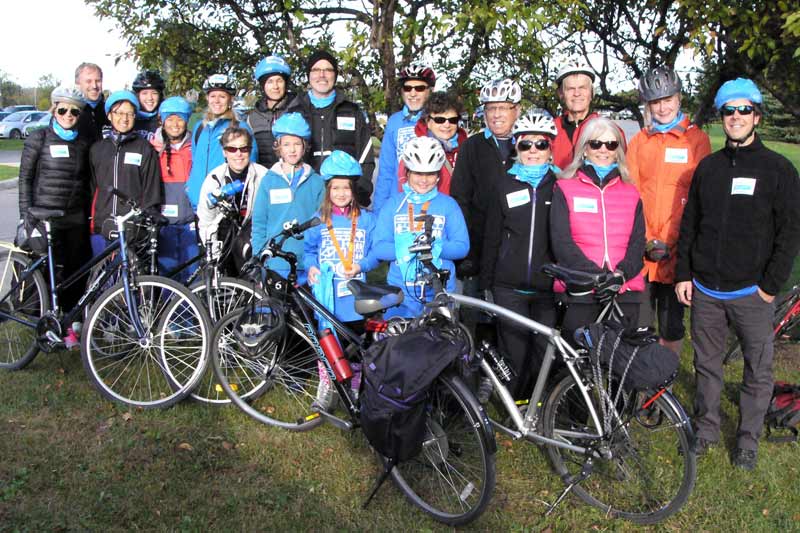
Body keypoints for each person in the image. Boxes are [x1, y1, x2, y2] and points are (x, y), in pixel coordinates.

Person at [674, 78, 800, 470]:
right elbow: (690, 224)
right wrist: (683, 274)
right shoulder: (708, 168)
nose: (736, 117)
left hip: (752, 293)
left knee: (757, 370)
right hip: (706, 289)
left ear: (757, 116)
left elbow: (791, 231)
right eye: (729, 111)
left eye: (744, 110)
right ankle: (707, 430)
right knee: (707, 365)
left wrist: (769, 287)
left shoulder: (778, 169)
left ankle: (747, 439)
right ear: (722, 117)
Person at [627, 66, 711, 354]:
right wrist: (648, 238)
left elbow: (698, 197)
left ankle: (665, 391)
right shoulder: (639, 141)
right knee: (638, 325)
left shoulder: (696, 140)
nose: (662, 108)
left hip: (677, 251)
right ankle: (637, 388)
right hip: (643, 250)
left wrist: (671, 240)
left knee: (671, 326)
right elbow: (633, 194)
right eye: (655, 102)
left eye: (667, 100)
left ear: (678, 98)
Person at [480, 109, 559, 399]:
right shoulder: (504, 184)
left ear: (551, 148)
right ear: (517, 146)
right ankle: (514, 403)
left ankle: (537, 403)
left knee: (542, 350)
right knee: (513, 348)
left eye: (541, 144)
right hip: (508, 284)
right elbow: (492, 236)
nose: (533, 151)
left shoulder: (560, 185)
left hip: (546, 286)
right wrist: (487, 283)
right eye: (526, 144)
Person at [550, 117, 645, 343]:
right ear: (584, 148)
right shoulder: (564, 188)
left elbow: (638, 242)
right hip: (581, 290)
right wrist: (597, 277)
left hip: (624, 291)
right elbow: (561, 242)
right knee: (577, 365)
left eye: (611, 145)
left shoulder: (631, 193)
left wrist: (620, 276)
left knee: (619, 368)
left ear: (618, 151)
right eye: (596, 144)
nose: (604, 150)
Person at [18, 86, 91, 348]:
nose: (68, 114)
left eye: (74, 111)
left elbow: (86, 182)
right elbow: (25, 179)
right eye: (63, 109)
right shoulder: (39, 138)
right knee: (47, 273)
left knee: (74, 272)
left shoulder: (83, 143)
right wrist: (26, 215)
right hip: (44, 216)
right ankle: (42, 323)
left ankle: (70, 323)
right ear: (54, 109)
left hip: (73, 218)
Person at [373, 137, 469, 318]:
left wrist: (435, 247)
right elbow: (379, 248)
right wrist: (407, 246)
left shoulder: (448, 205)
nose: (424, 180)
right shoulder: (394, 204)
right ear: (407, 173)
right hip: (401, 293)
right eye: (418, 173)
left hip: (439, 290)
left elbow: (462, 247)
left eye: (430, 174)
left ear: (439, 175)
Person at [450, 78, 521, 281]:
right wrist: (466, 248)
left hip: (517, 247)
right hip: (478, 247)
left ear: (516, 110)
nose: (496, 114)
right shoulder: (472, 146)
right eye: (490, 108)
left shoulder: (528, 146)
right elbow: (460, 198)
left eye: (503, 108)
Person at [285, 49, 374, 206]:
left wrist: (358, 192)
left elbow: (366, 157)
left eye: (327, 70)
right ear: (309, 75)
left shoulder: (352, 111)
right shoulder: (294, 112)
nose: (322, 75)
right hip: (304, 200)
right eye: (316, 70)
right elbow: (283, 158)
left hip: (344, 200)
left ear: (335, 75)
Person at [305, 151, 379, 329]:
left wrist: (362, 266)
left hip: (356, 301)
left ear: (353, 190)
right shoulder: (318, 219)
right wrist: (311, 266)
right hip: (327, 299)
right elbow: (309, 250)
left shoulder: (367, 219)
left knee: (356, 349)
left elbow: (377, 253)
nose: (341, 193)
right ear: (328, 190)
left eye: (346, 188)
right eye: (335, 188)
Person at [250, 113, 325, 282]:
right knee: (275, 307)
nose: (292, 150)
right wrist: (259, 256)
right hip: (276, 262)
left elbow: (323, 223)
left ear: (305, 146)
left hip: (308, 262)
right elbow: (259, 223)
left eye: (297, 144)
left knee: (305, 308)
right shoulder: (268, 181)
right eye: (287, 144)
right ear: (279, 147)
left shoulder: (316, 181)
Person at [89, 90, 162, 258]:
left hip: (133, 228)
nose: (125, 118)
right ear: (109, 115)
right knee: (103, 279)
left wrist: (144, 221)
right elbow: (91, 189)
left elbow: (151, 191)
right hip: (102, 227)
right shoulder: (97, 149)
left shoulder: (144, 148)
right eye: (119, 113)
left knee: (132, 280)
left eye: (130, 113)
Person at [379, 91, 467, 210]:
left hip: (458, 218)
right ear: (428, 121)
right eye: (440, 120)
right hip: (425, 218)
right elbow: (403, 193)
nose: (447, 125)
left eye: (452, 120)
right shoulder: (414, 152)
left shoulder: (467, 149)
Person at [196, 126, 267, 272]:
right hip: (223, 236)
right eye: (232, 149)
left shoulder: (263, 176)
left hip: (252, 235)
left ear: (250, 150)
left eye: (244, 149)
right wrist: (214, 256)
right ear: (224, 152)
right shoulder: (214, 179)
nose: (238, 154)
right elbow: (206, 221)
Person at [187, 74, 257, 211]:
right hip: (199, 204)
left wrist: (229, 192)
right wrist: (190, 188)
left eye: (222, 96)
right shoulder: (200, 128)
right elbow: (195, 162)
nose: (217, 101)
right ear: (207, 98)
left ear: (230, 99)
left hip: (227, 205)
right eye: (213, 96)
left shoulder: (240, 128)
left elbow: (250, 169)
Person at [373, 63, 436, 211]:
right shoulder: (394, 122)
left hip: (432, 202)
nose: (412, 93)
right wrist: (378, 212)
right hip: (399, 203)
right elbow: (386, 172)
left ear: (430, 90)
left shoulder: (438, 120)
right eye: (408, 88)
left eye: (419, 88)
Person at [151, 96, 196, 282]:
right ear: (162, 120)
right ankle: (168, 310)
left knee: (193, 273)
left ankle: (193, 311)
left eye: (180, 119)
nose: (175, 124)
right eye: (170, 119)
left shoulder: (194, 145)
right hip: (164, 224)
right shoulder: (152, 148)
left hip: (191, 222)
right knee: (167, 275)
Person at [552, 58, 601, 170]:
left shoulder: (608, 130)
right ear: (561, 94)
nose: (577, 94)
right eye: (570, 89)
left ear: (591, 92)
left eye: (582, 88)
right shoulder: (550, 131)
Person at [247, 55, 295, 168]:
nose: (275, 86)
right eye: (270, 82)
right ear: (263, 86)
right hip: (263, 179)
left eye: (279, 81)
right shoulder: (253, 117)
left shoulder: (298, 110)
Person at [74, 62, 108, 143]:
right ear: (78, 84)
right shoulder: (70, 112)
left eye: (98, 81)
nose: (94, 86)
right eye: (89, 81)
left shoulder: (111, 111)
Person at [132, 70, 166, 140]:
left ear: (160, 96)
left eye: (154, 93)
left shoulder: (166, 119)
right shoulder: (130, 118)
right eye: (144, 93)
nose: (150, 98)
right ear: (138, 96)